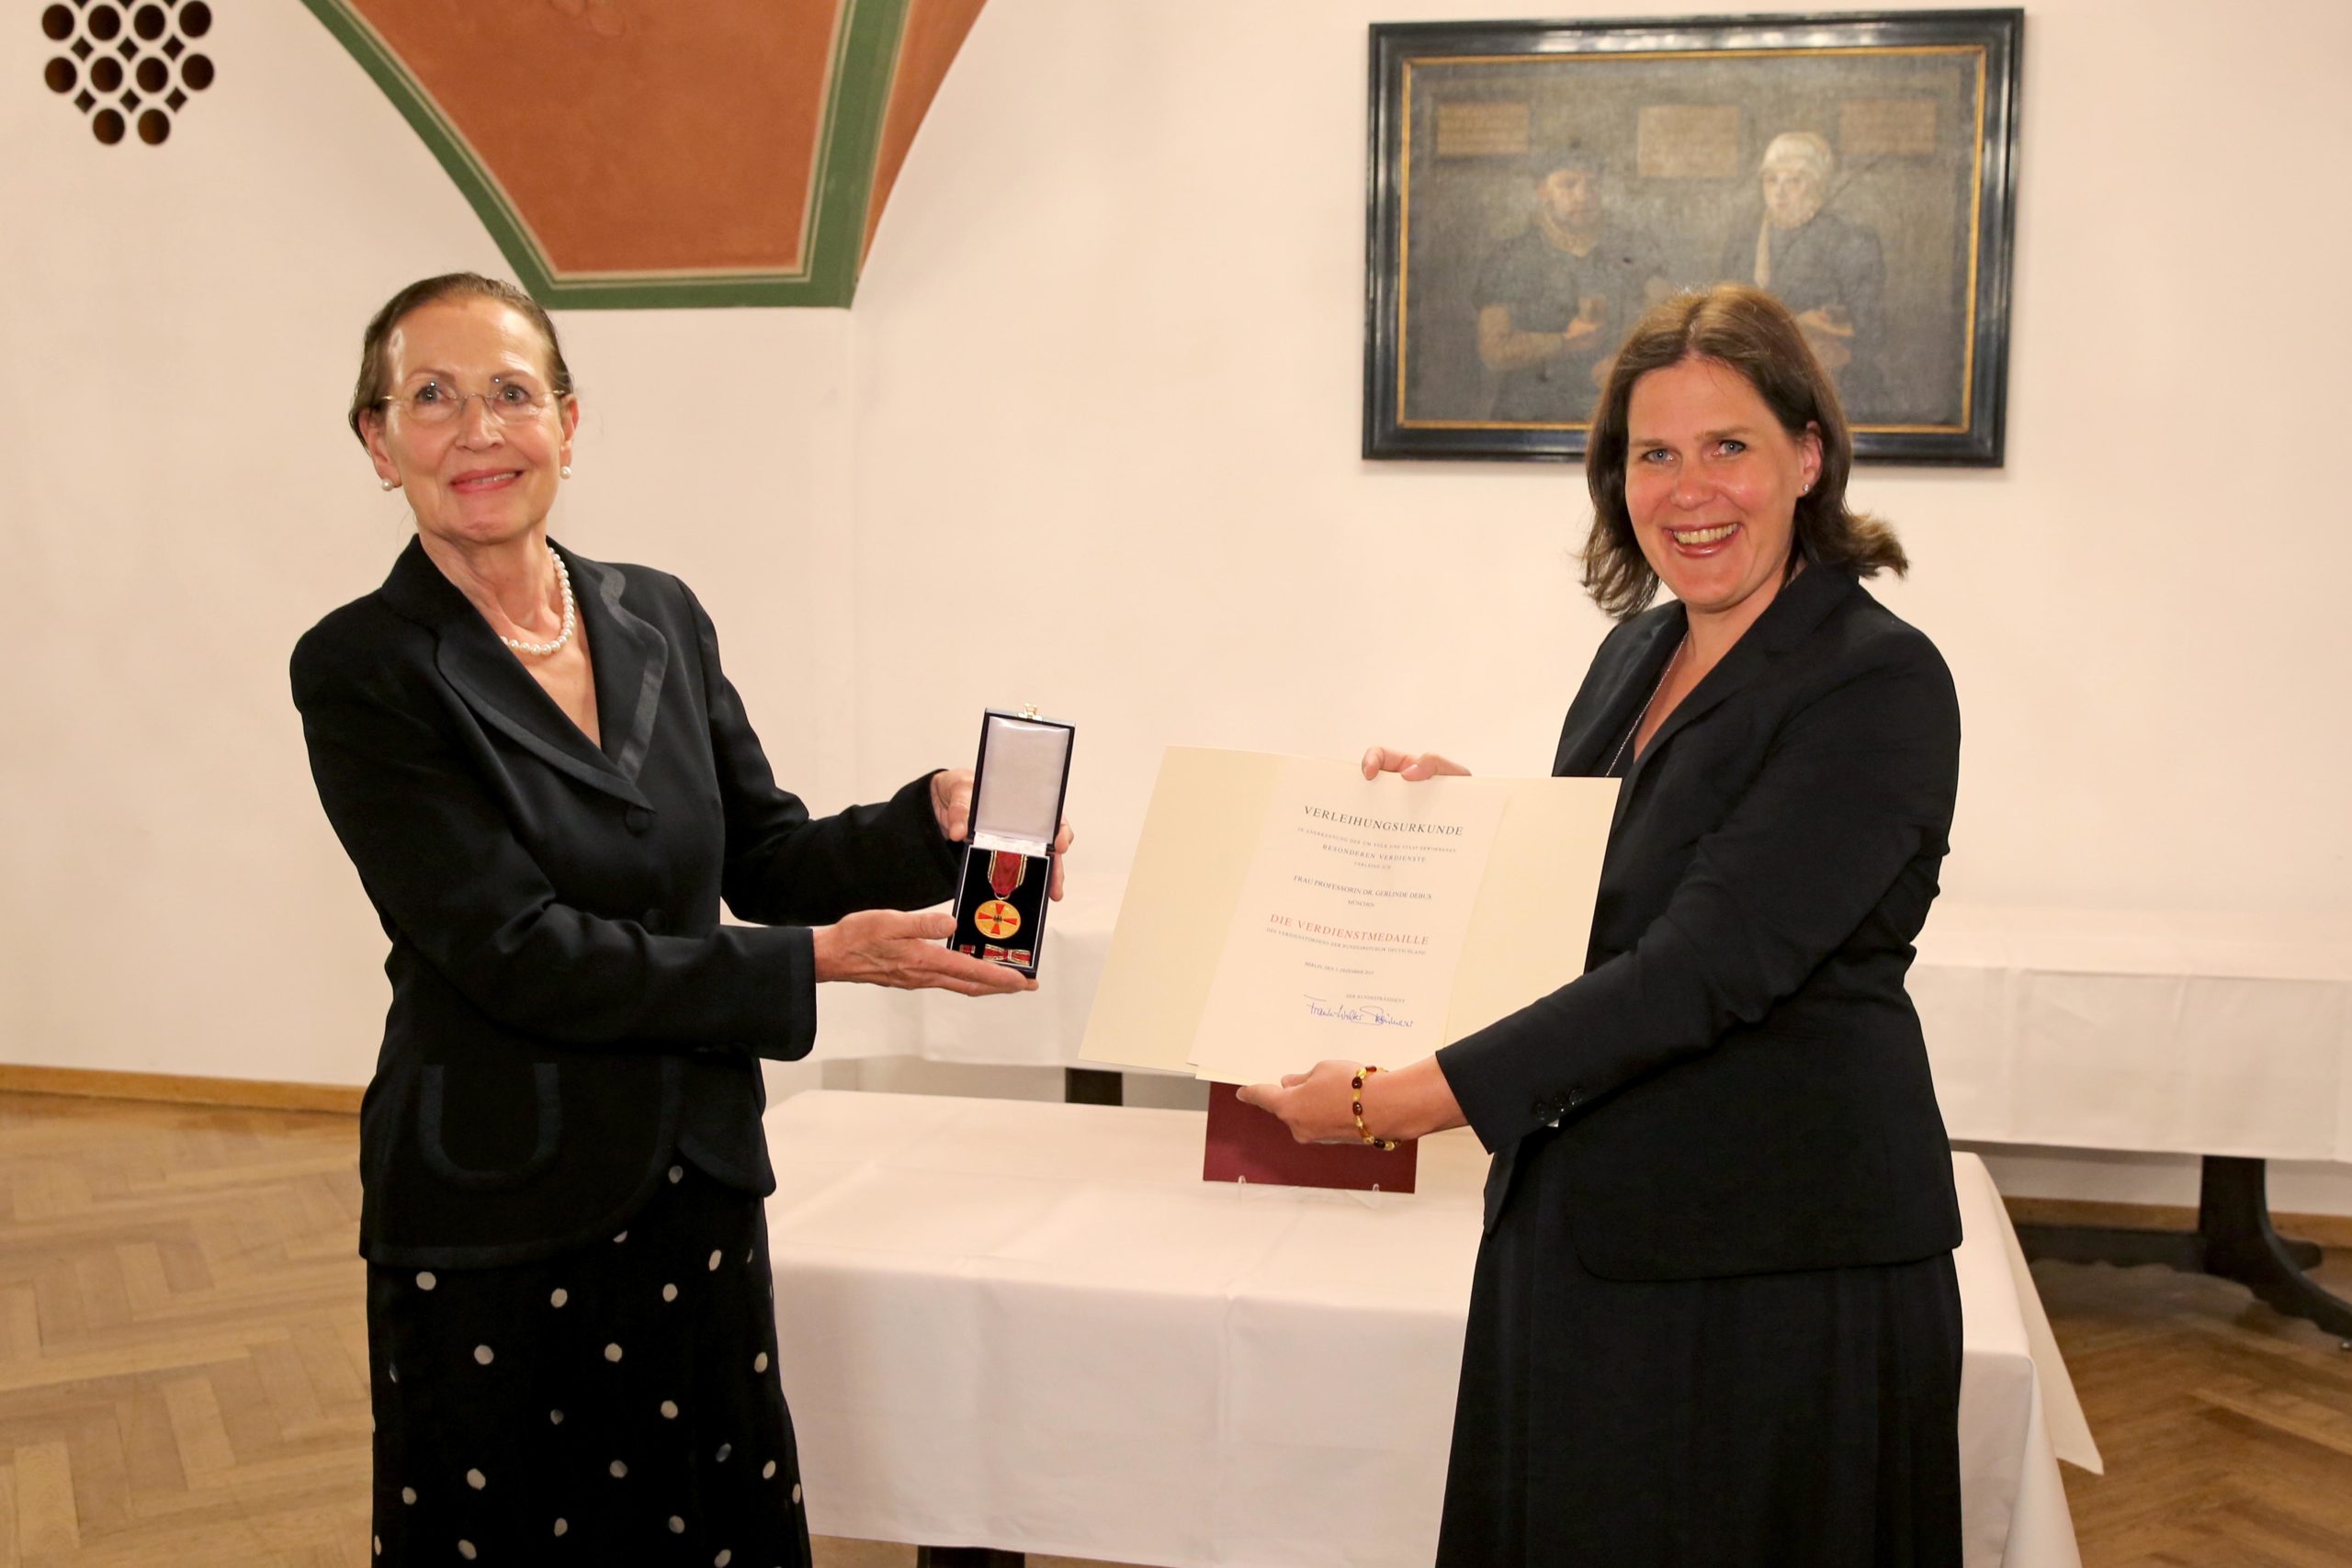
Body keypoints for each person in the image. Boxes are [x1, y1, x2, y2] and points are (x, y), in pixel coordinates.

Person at [291, 272, 1069, 1566]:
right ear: (377, 443)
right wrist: (822, 961)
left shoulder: (658, 613)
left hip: (694, 1183)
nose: (478, 430)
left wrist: (928, 820)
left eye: (510, 393)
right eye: (431, 398)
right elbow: (515, 951)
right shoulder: (363, 667)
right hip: (500, 1202)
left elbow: (762, 854)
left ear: (570, 423)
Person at [1240, 284, 1963, 1564]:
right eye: (1654, 454)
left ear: (1808, 455)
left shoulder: (1877, 679)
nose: (1692, 488)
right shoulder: (1635, 652)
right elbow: (1614, 885)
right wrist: (1473, 829)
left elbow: (1703, 964)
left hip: (1776, 1263)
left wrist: (1395, 1100)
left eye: (1729, 445)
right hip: (1588, 1220)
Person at [1475, 147, 1670, 423]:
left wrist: (1627, 362)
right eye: (1569, 185)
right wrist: (1564, 343)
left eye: (1592, 184)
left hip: (1615, 413)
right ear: (1543, 190)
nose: (1583, 196)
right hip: (1531, 415)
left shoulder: (1634, 248)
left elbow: (1668, 322)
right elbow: (1494, 350)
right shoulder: (1512, 258)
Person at [1720, 130, 1887, 410]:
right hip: (1752, 381)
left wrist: (1827, 331)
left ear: (1815, 185)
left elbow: (1871, 327)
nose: (1779, 191)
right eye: (1771, 180)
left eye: (1793, 181)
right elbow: (1723, 315)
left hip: (1828, 384)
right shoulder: (1744, 240)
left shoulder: (1850, 239)